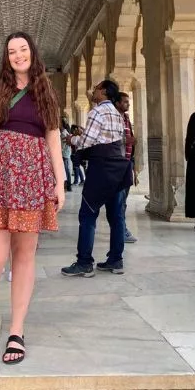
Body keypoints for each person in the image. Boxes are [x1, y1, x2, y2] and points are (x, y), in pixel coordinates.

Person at [0, 31, 65, 365]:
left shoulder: (46, 91)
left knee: (24, 255)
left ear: (32, 52)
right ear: (6, 58)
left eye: (23, 49)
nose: (18, 55)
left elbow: (53, 139)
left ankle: (17, 330)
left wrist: (60, 181)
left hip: (32, 177)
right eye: (11, 51)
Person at [61, 80, 131, 278]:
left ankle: (84, 262)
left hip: (102, 168)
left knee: (88, 215)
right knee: (116, 217)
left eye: (97, 88)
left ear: (104, 91)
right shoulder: (117, 114)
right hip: (119, 168)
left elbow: (87, 141)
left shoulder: (97, 112)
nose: (93, 91)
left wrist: (72, 139)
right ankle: (116, 260)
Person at [115, 92, 138, 243]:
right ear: (117, 103)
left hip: (127, 163)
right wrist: (126, 140)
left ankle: (121, 230)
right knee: (119, 200)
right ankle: (121, 231)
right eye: (125, 102)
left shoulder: (126, 119)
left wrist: (133, 167)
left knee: (123, 201)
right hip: (117, 164)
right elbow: (109, 139)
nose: (128, 104)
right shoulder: (114, 118)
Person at [60, 118, 72, 192]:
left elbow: (64, 145)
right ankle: (68, 186)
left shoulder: (64, 133)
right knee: (66, 170)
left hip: (65, 154)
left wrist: (60, 151)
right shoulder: (64, 132)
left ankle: (68, 186)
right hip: (66, 153)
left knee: (66, 170)